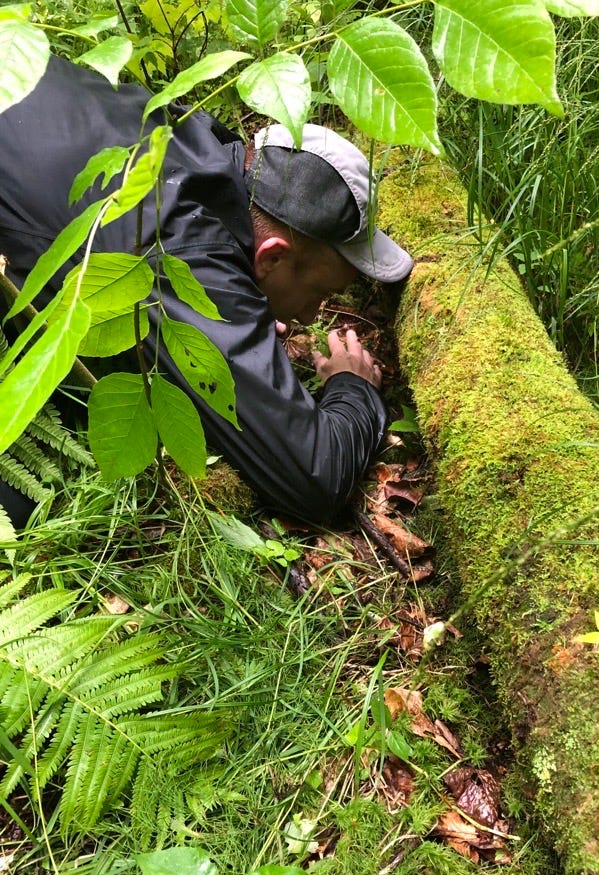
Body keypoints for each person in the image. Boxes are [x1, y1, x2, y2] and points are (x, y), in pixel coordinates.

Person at [0, 55, 414, 528]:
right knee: (23, 494)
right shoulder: (184, 247)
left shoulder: (189, 133)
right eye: (322, 292)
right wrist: (353, 389)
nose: (315, 315)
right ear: (273, 257)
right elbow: (314, 478)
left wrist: (242, 320)